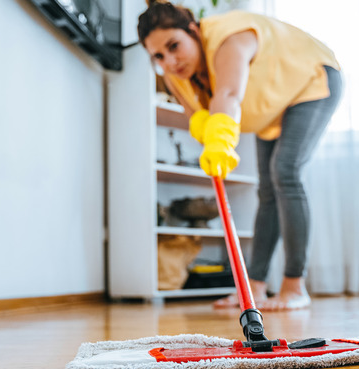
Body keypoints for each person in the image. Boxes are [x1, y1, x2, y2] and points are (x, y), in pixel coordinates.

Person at [138, 0, 342, 311]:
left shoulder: (228, 38)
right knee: (267, 190)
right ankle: (254, 289)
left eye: (174, 45)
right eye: (159, 56)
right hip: (270, 107)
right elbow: (199, 115)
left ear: (193, 30)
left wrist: (221, 142)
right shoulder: (174, 75)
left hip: (310, 80)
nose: (170, 61)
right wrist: (209, 135)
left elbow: (229, 94)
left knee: (285, 172)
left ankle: (294, 286)